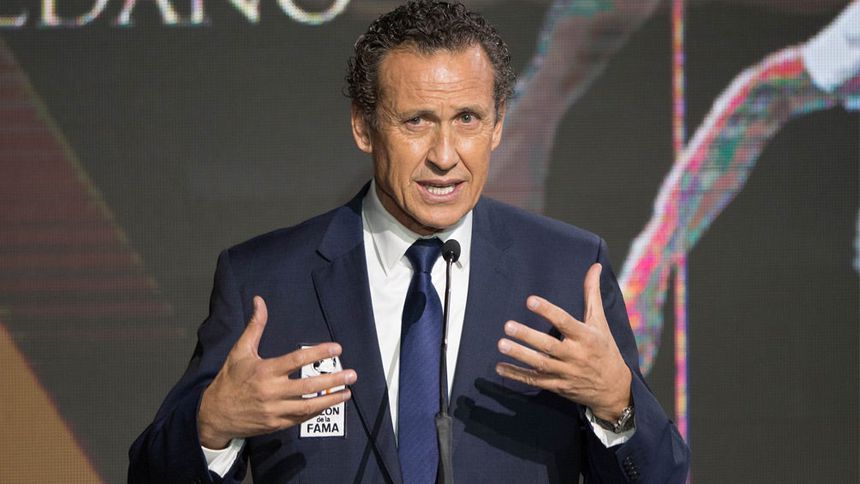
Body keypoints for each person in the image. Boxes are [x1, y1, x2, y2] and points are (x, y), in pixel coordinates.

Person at [128, 1, 689, 482]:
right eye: (417, 121)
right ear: (364, 126)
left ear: (497, 125)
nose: (445, 156)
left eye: (467, 119)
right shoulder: (266, 280)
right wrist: (212, 426)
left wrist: (618, 407)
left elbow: (663, 475)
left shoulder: (567, 270)